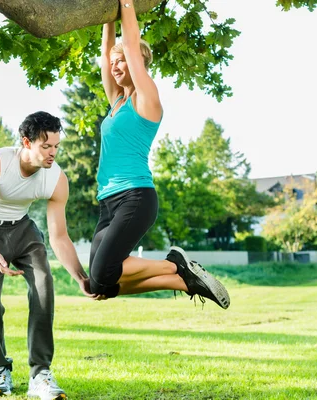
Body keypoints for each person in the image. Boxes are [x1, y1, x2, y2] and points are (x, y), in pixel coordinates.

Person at [89, 0, 230, 308]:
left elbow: (129, 41)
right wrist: (105, 15)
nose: (115, 65)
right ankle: (181, 278)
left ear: (138, 64)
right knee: (97, 285)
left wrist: (125, 4)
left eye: (123, 60)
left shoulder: (146, 98)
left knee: (104, 272)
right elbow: (106, 53)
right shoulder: (116, 102)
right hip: (108, 202)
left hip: (135, 197)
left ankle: (173, 265)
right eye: (115, 62)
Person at [0, 111, 94, 399]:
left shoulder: (57, 178)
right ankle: (0, 369)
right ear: (26, 142)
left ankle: (40, 373)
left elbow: (59, 236)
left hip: (23, 230)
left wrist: (80, 277)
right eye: (46, 146)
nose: (53, 153)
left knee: (44, 289)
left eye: (57, 146)